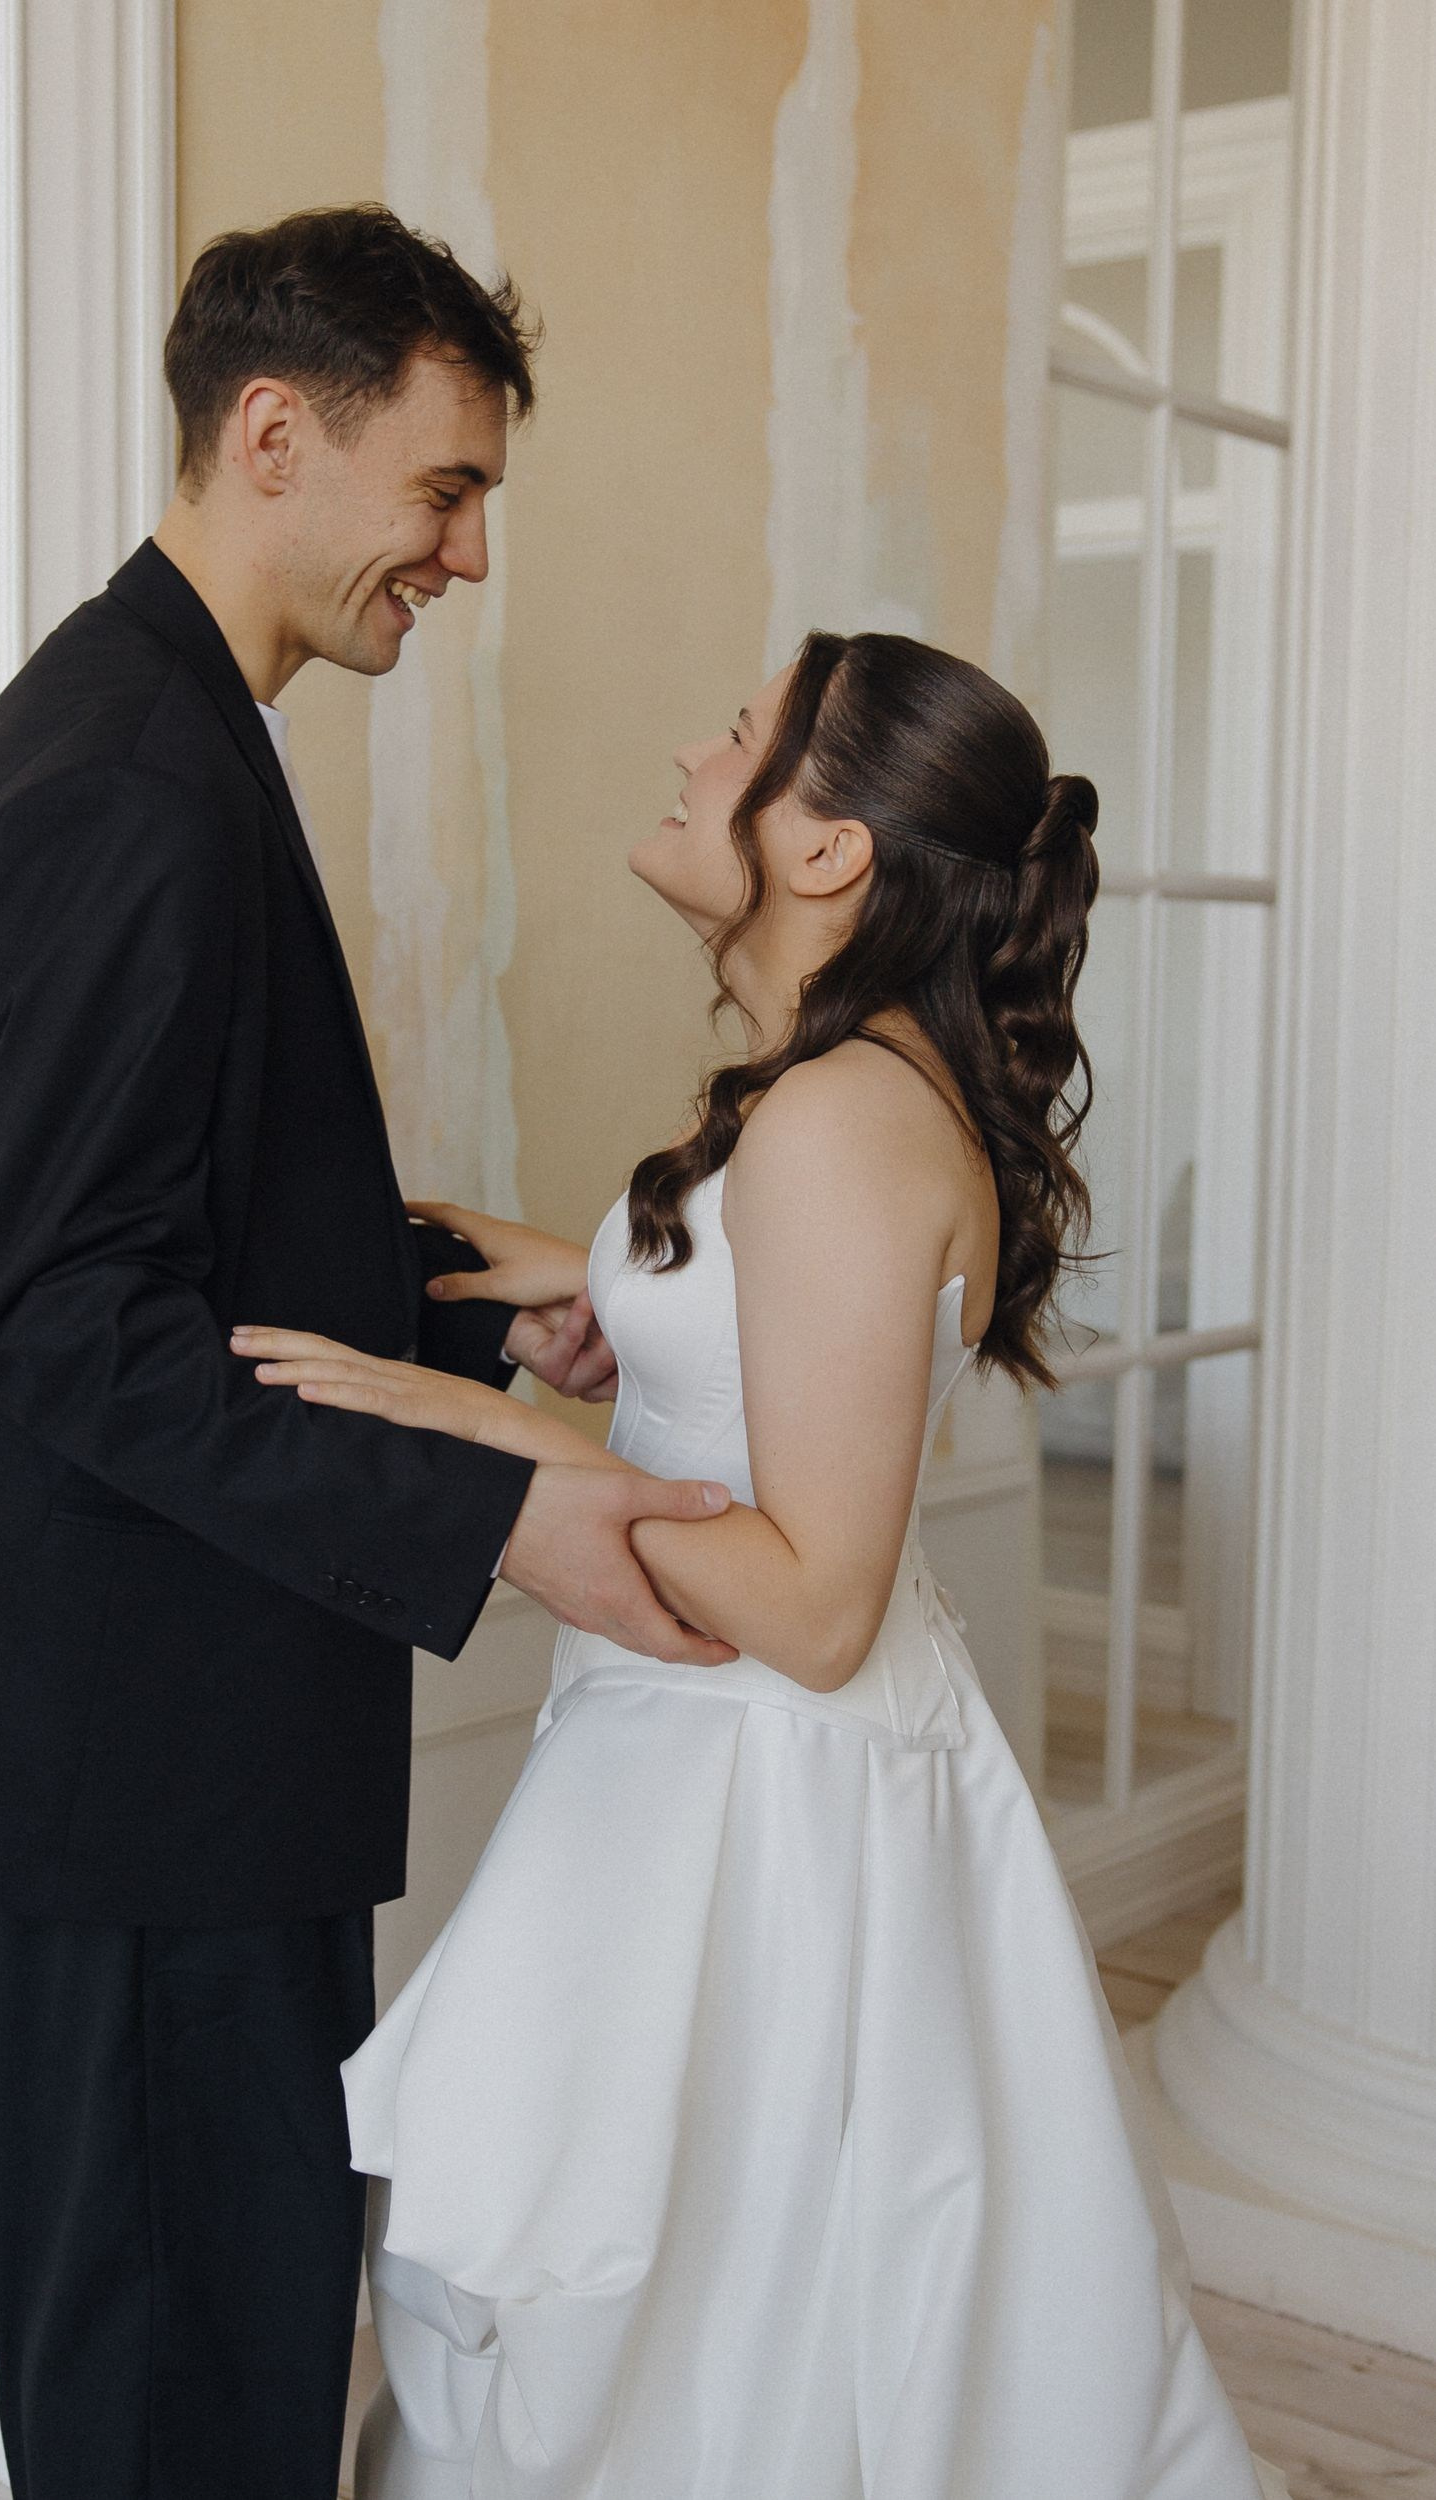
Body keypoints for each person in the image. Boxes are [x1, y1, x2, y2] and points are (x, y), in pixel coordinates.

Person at [0, 204, 735, 2500]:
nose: (470, 553)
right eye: (446, 486)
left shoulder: (147, 725)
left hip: (153, 1721)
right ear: (269, 434)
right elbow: (72, 1324)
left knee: (217, 2344)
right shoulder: (128, 784)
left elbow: (182, 1231)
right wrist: (496, 1505)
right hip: (145, 1749)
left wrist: (470, 1314)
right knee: (185, 2385)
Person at [235, 631, 1290, 2499]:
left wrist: (493, 1432)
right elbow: (763, 1334)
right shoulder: (839, 1094)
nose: (689, 753)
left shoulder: (837, 1125)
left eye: (737, 736)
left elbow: (813, 1607)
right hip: (698, 1759)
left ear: (826, 849)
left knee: (714, 2302)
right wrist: (583, 1281)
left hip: (764, 1797)